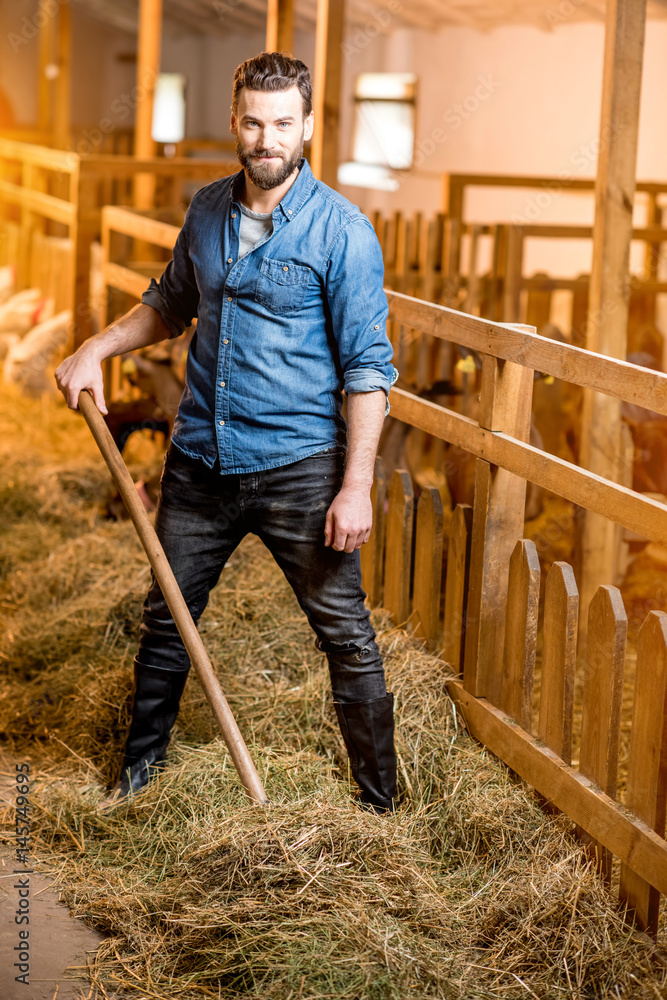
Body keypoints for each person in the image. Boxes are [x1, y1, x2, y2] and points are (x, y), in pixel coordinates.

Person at [55, 52, 399, 815]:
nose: (265, 138)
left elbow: (368, 369)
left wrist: (353, 487)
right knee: (167, 622)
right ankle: (135, 783)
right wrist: (97, 347)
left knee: (344, 634)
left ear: (307, 126)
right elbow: (170, 301)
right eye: (252, 121)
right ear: (233, 120)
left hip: (299, 469)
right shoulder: (209, 210)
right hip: (200, 462)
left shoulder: (342, 232)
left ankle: (381, 807)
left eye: (282, 123)